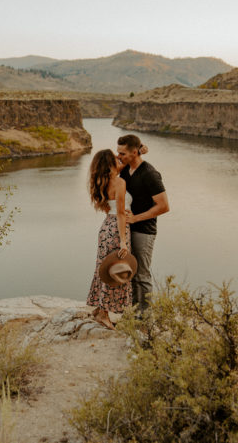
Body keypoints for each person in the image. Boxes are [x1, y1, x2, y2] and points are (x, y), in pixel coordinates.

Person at [116, 134, 169, 315]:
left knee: (142, 275)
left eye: (122, 153)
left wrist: (136, 218)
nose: (119, 156)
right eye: (118, 153)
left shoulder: (150, 174)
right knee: (128, 273)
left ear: (133, 152)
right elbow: (111, 169)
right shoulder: (125, 170)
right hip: (128, 229)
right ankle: (132, 313)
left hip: (144, 231)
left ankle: (147, 318)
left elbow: (164, 206)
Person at [86, 149, 132, 330]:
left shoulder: (102, 182)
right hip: (117, 229)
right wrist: (123, 241)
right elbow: (120, 213)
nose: (119, 159)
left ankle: (99, 309)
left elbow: (111, 209)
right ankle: (104, 314)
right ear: (110, 164)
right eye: (116, 158)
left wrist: (134, 155)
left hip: (106, 228)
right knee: (115, 269)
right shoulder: (119, 182)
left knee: (104, 268)